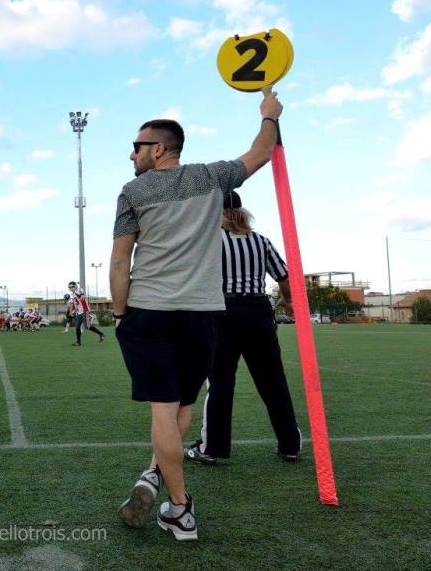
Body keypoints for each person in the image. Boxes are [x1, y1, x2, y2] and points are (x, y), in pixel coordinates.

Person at [111, 93, 283, 541]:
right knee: (182, 407)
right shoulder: (212, 178)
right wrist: (269, 115)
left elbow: (120, 260)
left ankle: (181, 507)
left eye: (136, 146)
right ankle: (154, 475)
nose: (131, 154)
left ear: (159, 149)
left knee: (163, 411)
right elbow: (262, 152)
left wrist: (119, 312)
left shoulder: (132, 191)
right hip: (202, 316)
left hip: (149, 312)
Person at [184, 191, 301, 465]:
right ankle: (290, 444)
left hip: (222, 312)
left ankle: (212, 448)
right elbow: (284, 275)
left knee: (220, 383)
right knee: (273, 381)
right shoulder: (261, 241)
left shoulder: (210, 241)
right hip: (258, 312)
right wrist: (288, 301)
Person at [68, 281, 105, 345]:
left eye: (72, 287)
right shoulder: (73, 294)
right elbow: (76, 304)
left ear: (75, 286)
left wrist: (81, 297)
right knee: (77, 327)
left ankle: (101, 334)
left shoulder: (78, 290)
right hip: (79, 312)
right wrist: (74, 311)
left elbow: (82, 295)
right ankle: (78, 342)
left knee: (87, 326)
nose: (71, 288)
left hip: (85, 310)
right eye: (70, 287)